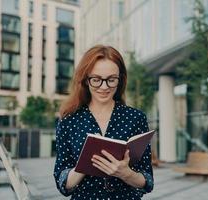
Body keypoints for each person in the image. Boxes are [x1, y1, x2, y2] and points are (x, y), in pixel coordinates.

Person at [53, 45, 154, 200]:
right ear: (85, 80)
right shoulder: (68, 120)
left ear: (120, 80)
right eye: (96, 79)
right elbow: (62, 183)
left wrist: (126, 174)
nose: (104, 87)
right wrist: (85, 164)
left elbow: (147, 181)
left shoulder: (136, 118)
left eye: (111, 80)